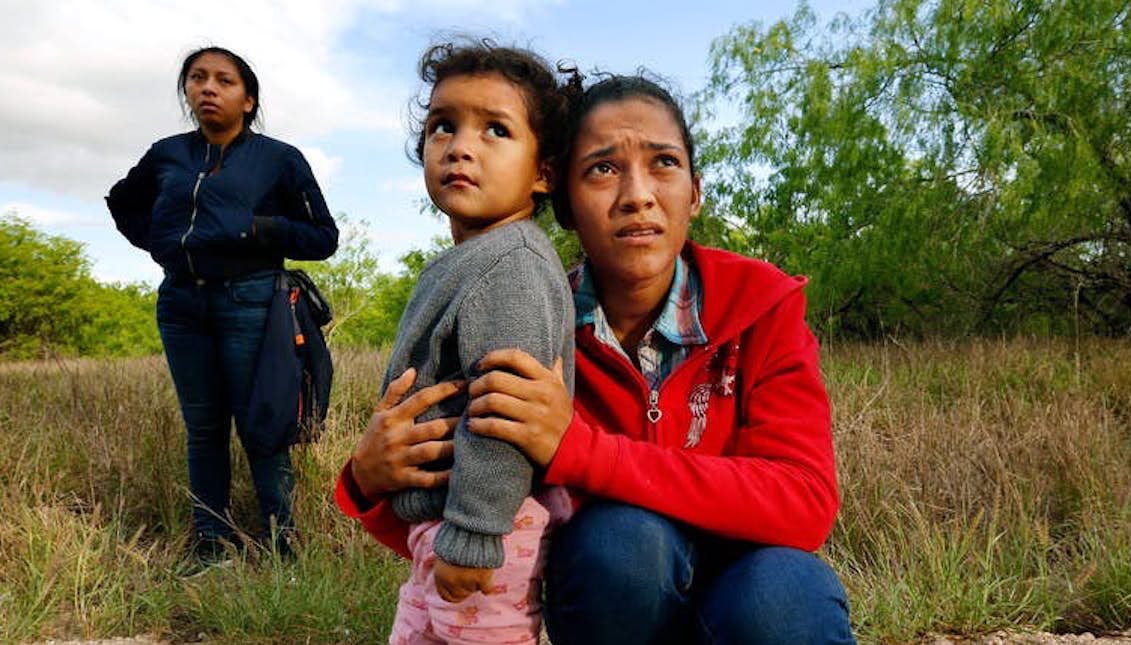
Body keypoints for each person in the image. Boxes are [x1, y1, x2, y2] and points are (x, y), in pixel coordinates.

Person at [342, 71, 856, 644]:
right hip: (619, 597)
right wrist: (366, 480)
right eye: (603, 169)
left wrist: (577, 449)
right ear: (562, 202)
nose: (637, 194)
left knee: (786, 595)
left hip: (744, 580)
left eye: (664, 162)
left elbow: (804, 503)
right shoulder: (531, 321)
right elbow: (482, 523)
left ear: (696, 192)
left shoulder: (760, 307)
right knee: (620, 543)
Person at [338, 41, 575, 644]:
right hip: (448, 525)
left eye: (495, 129)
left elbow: (505, 413)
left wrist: (473, 533)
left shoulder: (512, 264)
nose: (460, 146)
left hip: (486, 527)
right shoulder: (468, 260)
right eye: (443, 125)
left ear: (544, 171)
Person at [106, 46, 339, 563]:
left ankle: (283, 550)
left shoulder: (279, 159)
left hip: (251, 301)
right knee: (204, 429)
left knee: (262, 424)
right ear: (187, 91)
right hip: (182, 304)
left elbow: (324, 237)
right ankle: (212, 547)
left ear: (248, 99)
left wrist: (256, 229)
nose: (208, 88)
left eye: (224, 80)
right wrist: (167, 243)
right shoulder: (167, 153)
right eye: (197, 78)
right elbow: (122, 203)